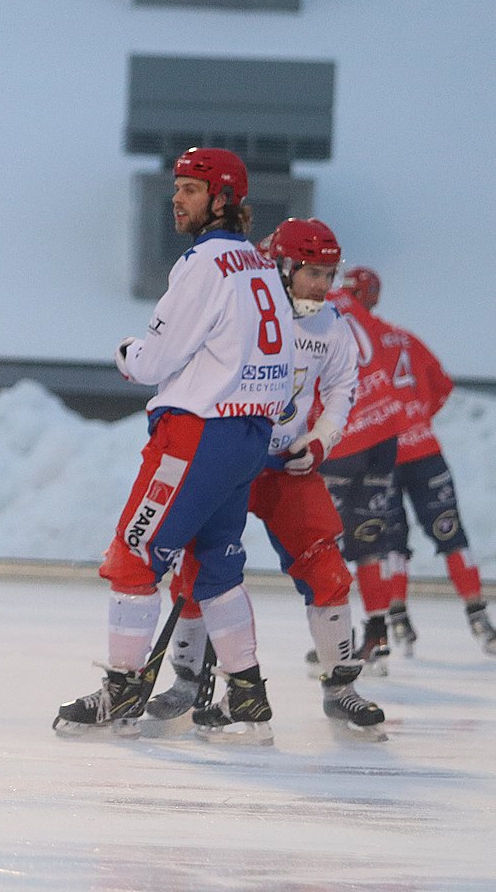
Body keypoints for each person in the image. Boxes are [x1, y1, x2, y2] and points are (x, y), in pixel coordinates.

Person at [53, 147, 292, 744]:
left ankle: (122, 687)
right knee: (218, 567)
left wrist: (127, 351)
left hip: (197, 433)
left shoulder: (204, 263)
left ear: (222, 199)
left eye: (189, 188)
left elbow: (155, 360)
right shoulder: (261, 266)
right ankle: (248, 701)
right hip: (247, 434)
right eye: (177, 187)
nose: (176, 199)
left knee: (135, 555)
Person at [146, 219, 386, 736]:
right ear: (282, 265)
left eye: (329, 273)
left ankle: (340, 688)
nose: (324, 285)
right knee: (198, 571)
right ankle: (188, 682)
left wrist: (319, 440)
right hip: (228, 453)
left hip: (283, 467)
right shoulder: (239, 309)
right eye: (314, 273)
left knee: (326, 568)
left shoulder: (333, 325)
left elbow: (344, 387)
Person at [341, 268, 496, 657]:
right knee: (451, 533)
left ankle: (395, 619)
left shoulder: (349, 339)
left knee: (388, 542)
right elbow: (442, 385)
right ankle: (479, 617)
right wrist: (417, 417)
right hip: (424, 450)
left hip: (382, 450)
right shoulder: (403, 336)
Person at [316, 267, 416, 674]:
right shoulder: (356, 307)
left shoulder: (310, 304)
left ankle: (333, 645)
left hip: (346, 435)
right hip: (384, 434)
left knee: (326, 541)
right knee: (370, 538)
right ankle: (377, 630)